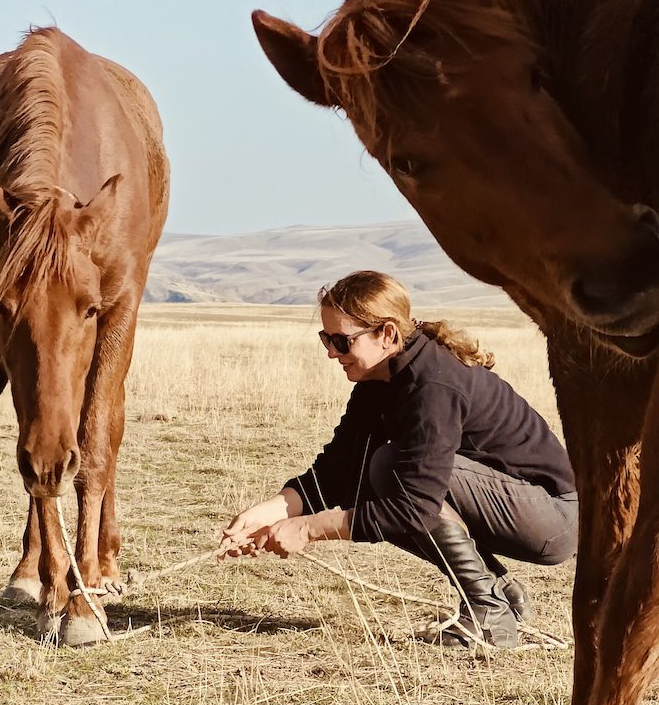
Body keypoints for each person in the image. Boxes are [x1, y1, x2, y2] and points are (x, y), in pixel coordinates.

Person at [218, 270, 578, 649]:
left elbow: (415, 507)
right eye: (326, 338)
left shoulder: (433, 384)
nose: (330, 352)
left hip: (552, 518)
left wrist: (308, 529)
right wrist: (272, 512)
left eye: (341, 340)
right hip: (516, 507)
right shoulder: (381, 376)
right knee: (379, 471)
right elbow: (341, 467)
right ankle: (501, 596)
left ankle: (489, 613)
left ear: (386, 334)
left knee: (393, 470)